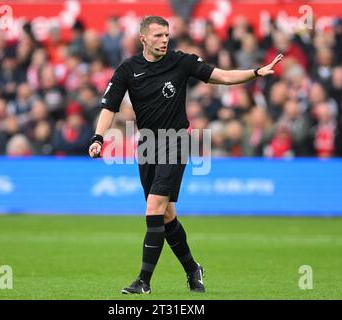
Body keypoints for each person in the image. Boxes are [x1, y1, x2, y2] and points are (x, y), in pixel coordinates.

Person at [88, 16, 283, 294]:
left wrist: (256, 72)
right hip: (147, 146)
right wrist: (98, 138)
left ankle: (144, 281)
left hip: (176, 142)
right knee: (166, 215)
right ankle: (193, 269)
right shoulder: (128, 69)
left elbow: (224, 77)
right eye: (157, 35)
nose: (164, 39)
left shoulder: (181, 62)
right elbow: (110, 108)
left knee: (154, 208)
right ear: (143, 39)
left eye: (166, 34)